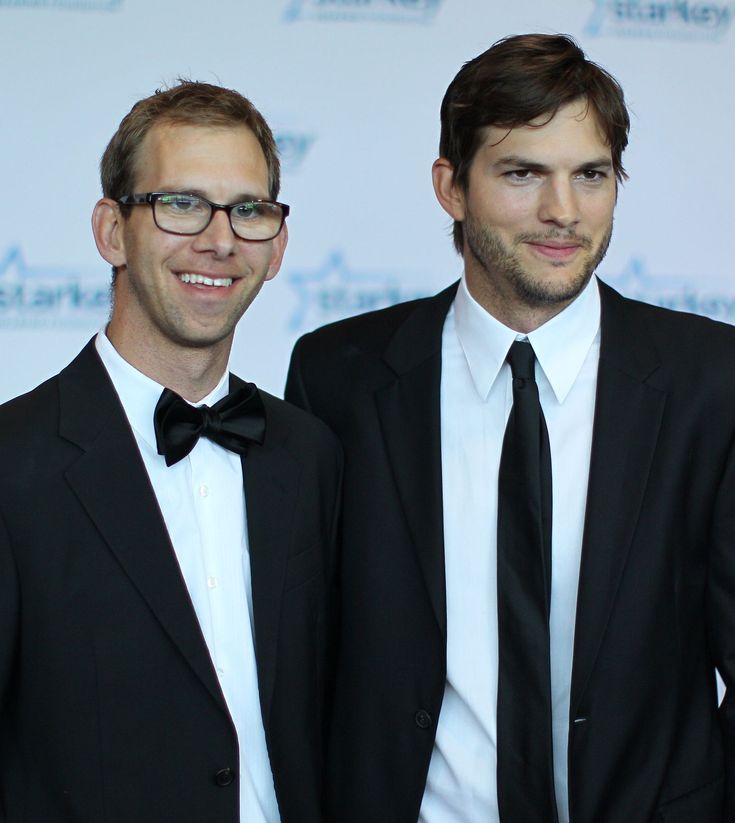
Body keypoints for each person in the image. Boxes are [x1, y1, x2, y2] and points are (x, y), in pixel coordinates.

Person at [286, 33, 735, 823]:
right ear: (450, 187)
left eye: (590, 175)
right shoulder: (340, 377)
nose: (562, 211)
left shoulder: (710, 380)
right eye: (523, 173)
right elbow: (306, 652)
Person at [0, 80, 341, 823]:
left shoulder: (311, 456)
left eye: (248, 210)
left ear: (277, 245)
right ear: (112, 230)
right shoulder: (10, 465)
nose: (219, 240)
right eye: (180, 203)